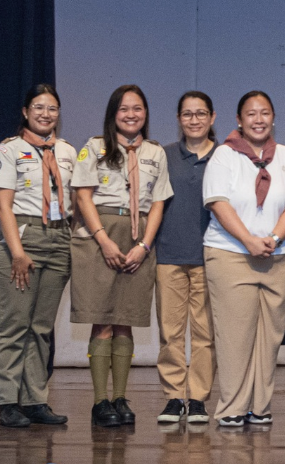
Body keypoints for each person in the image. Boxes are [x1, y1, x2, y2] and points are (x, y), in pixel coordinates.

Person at [71, 84, 174, 427]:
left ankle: (120, 397)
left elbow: (158, 203)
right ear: (113, 114)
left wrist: (144, 245)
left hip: (136, 236)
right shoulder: (95, 148)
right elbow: (84, 198)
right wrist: (103, 239)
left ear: (146, 114)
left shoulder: (155, 153)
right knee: (102, 319)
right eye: (124, 109)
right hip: (100, 234)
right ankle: (100, 401)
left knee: (125, 320)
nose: (131, 115)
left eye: (138, 109)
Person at [203, 91, 285, 426]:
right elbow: (218, 203)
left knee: (269, 336)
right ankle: (232, 407)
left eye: (264, 113)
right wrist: (248, 240)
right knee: (236, 335)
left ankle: (259, 407)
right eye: (251, 114)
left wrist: (274, 239)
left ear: (273, 118)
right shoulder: (224, 156)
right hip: (231, 254)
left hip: (279, 257)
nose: (258, 119)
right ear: (239, 120)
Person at [0, 84, 75, 428]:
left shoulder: (68, 151)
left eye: (52, 108)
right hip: (23, 237)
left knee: (41, 327)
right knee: (14, 324)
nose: (45, 114)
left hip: (59, 237)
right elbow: (2, 203)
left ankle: (35, 399)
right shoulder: (9, 150)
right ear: (25, 112)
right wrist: (17, 252)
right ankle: (9, 401)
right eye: (38, 107)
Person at [153, 91, 218, 424]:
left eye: (201, 113)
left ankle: (198, 399)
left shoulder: (224, 156)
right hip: (169, 255)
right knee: (171, 331)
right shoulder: (164, 155)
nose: (195, 120)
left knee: (206, 332)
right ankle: (174, 397)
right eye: (188, 114)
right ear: (179, 119)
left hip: (211, 257)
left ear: (212, 117)